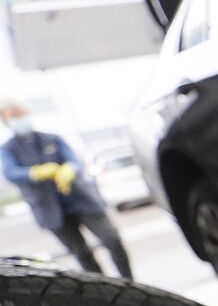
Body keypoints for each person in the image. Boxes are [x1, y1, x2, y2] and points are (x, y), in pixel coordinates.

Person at [0, 100, 133, 280]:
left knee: (112, 240)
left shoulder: (52, 138)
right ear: (6, 120)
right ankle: (105, 292)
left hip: (80, 199)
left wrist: (69, 169)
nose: (20, 119)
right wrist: (34, 172)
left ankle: (128, 281)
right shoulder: (8, 149)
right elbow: (10, 173)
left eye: (21, 114)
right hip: (50, 209)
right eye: (14, 116)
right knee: (82, 253)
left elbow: (74, 161)